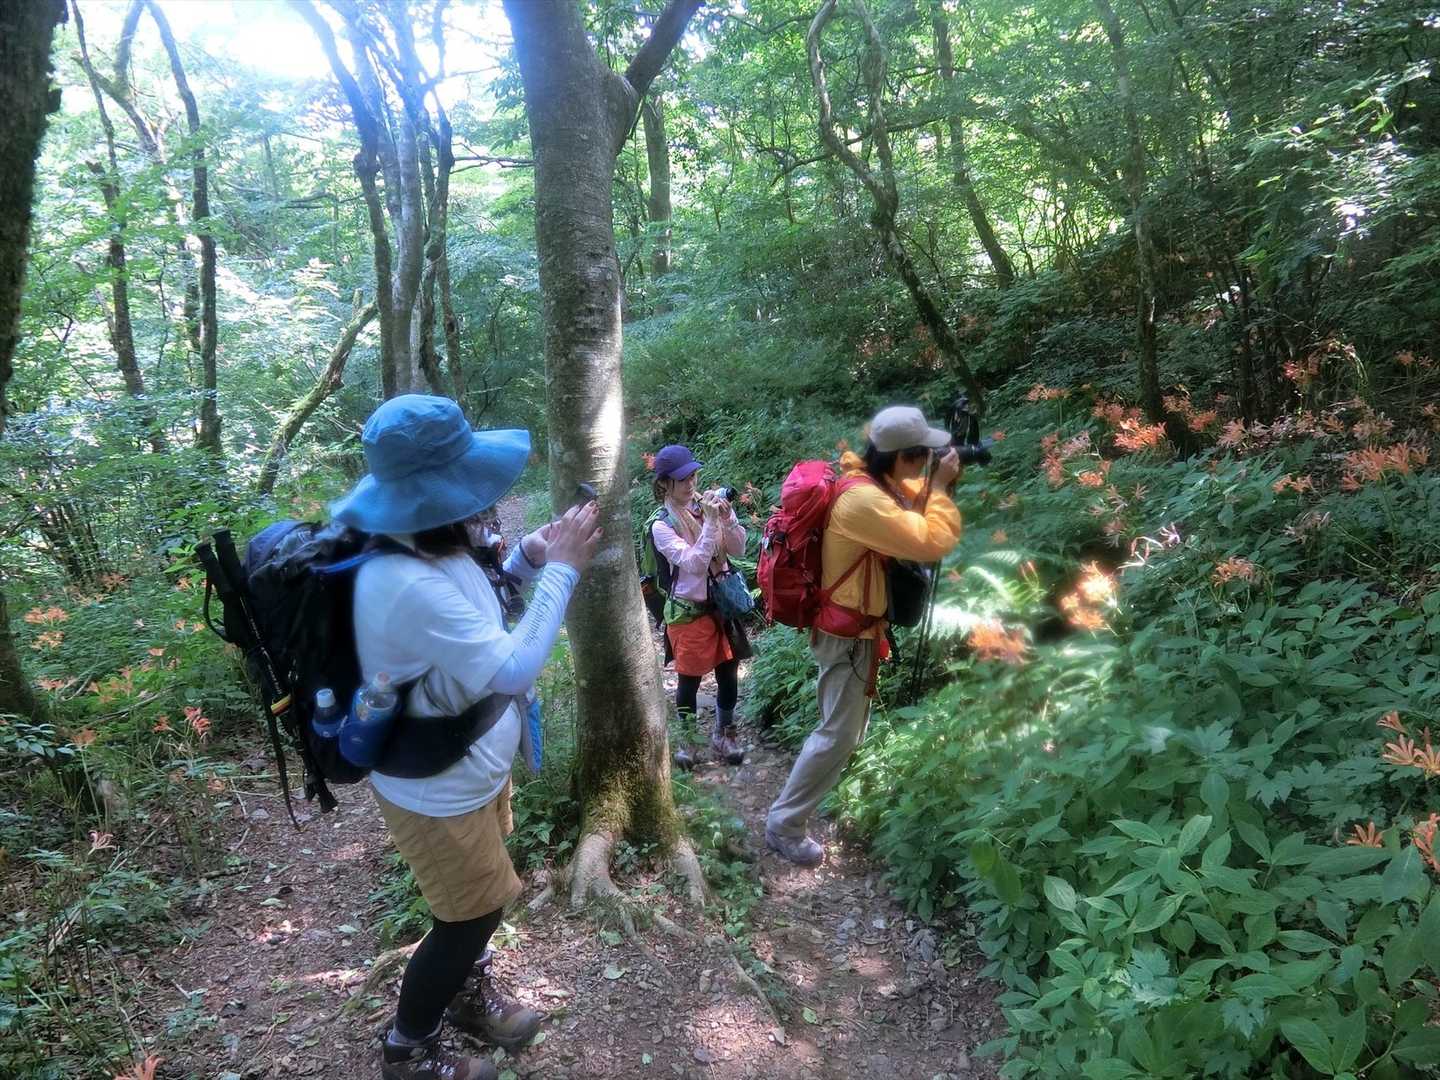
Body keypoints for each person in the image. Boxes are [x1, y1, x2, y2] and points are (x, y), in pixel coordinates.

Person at [330, 394, 601, 1080]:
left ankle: (465, 994)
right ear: (434, 492)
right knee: (469, 917)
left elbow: (482, 608)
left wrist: (532, 555)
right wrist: (564, 568)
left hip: (468, 767)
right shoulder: (399, 579)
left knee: (474, 905)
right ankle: (409, 1047)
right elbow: (511, 665)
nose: (480, 500)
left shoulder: (429, 542)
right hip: (436, 789)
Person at [765, 405, 963, 867]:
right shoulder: (863, 501)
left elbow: (906, 516)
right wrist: (939, 489)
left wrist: (934, 484)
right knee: (837, 735)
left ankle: (791, 815)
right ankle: (785, 825)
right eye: (921, 457)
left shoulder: (871, 485)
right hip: (847, 637)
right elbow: (931, 541)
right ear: (900, 457)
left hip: (855, 635)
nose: (925, 465)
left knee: (843, 733)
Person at [647, 444, 750, 767]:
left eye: (693, 476)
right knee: (689, 679)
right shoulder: (662, 525)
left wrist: (726, 518)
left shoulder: (705, 508)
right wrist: (710, 523)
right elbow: (694, 563)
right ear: (665, 483)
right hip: (688, 611)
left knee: (729, 670)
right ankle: (688, 740)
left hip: (721, 605)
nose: (690, 484)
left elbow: (739, 549)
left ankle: (725, 734)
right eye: (682, 479)